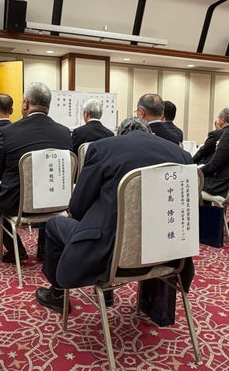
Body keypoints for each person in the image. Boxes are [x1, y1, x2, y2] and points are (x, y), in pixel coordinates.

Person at [35, 117, 194, 313]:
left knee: (55, 225)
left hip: (108, 255)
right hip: (166, 254)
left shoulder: (103, 149)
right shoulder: (182, 155)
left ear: (120, 134)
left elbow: (77, 207)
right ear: (148, 132)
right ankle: (108, 292)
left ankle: (57, 295)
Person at [0, 81, 72, 263]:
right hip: (57, 201)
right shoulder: (64, 133)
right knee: (47, 194)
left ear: (25, 104)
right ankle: (44, 248)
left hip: (18, 201)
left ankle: (16, 248)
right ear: (48, 105)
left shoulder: (9, 132)